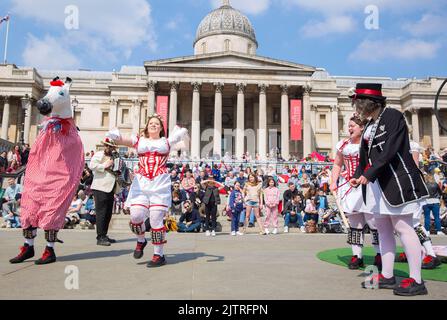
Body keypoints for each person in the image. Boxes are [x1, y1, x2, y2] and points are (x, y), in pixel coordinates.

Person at [350, 83, 429, 296]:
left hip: (397, 181)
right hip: (378, 185)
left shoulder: (393, 116)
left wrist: (369, 174)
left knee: (403, 228)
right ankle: (387, 275)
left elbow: (390, 150)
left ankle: (417, 279)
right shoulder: (369, 125)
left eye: (358, 104)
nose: (356, 109)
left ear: (369, 103)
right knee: (383, 228)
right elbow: (364, 158)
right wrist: (358, 176)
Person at [9, 77, 85, 265]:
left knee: (52, 209)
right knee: (29, 204)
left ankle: (49, 250)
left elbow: (75, 155)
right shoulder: (47, 126)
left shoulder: (70, 131)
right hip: (40, 172)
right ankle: (28, 246)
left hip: (59, 175)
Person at [107, 114, 188, 267]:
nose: (154, 125)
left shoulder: (166, 141)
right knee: (136, 216)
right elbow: (123, 140)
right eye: (151, 123)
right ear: (147, 126)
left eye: (157, 124)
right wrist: (115, 135)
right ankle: (141, 240)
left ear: (161, 128)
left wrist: (182, 132)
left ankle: (159, 254)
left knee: (156, 219)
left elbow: (178, 140)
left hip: (159, 183)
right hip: (141, 182)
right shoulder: (140, 141)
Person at [330, 115, 381, 270]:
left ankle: (379, 254)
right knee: (354, 223)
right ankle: (357, 256)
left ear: (362, 128)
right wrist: (333, 181)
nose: (349, 128)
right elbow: (337, 165)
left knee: (373, 222)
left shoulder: (368, 144)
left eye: (353, 126)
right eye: (349, 125)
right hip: (349, 185)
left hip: (368, 184)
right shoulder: (343, 144)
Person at [89, 138, 121, 246]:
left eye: (110, 146)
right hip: (100, 186)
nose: (108, 148)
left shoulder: (114, 157)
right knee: (101, 212)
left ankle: (104, 234)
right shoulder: (99, 154)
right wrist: (104, 166)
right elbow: (92, 165)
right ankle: (100, 236)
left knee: (108, 213)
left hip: (110, 187)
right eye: (107, 146)